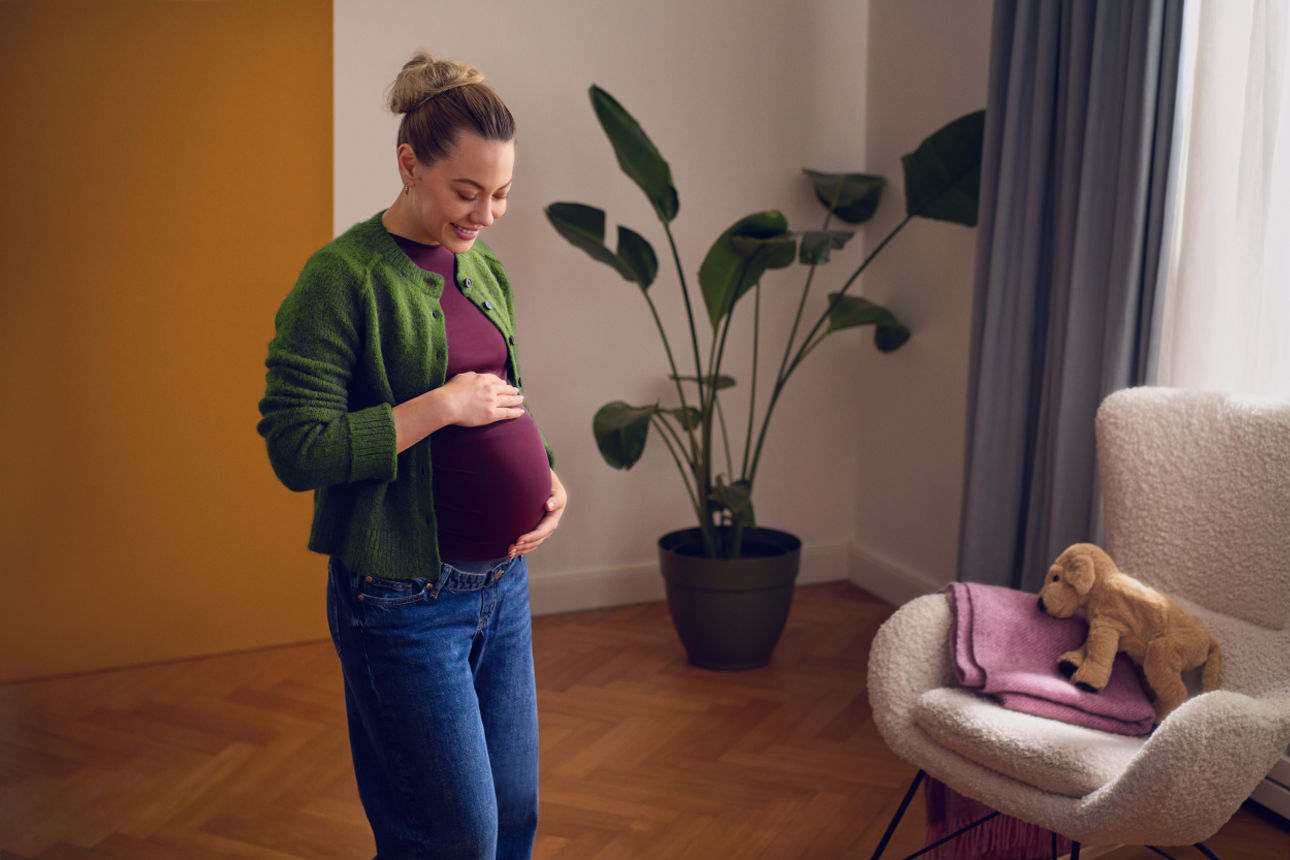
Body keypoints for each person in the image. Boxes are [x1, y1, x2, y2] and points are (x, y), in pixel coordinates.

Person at [257, 50, 566, 859]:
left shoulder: (482, 265)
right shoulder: (341, 278)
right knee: (451, 837)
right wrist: (434, 408)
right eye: (467, 192)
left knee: (516, 813)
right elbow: (297, 446)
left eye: (501, 194)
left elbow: (502, 391)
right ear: (409, 163)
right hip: (402, 598)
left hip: (504, 585)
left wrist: (548, 476)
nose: (487, 214)